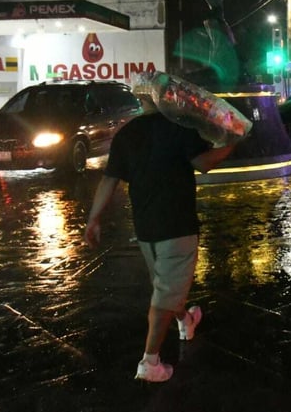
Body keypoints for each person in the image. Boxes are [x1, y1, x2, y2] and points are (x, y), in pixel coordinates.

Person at [85, 100, 236, 383]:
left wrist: (94, 218)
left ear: (141, 100)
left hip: (146, 227)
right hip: (178, 225)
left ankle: (185, 320)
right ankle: (150, 361)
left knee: (166, 286)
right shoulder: (180, 126)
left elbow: (109, 179)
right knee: (165, 293)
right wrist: (232, 143)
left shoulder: (127, 133)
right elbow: (204, 163)